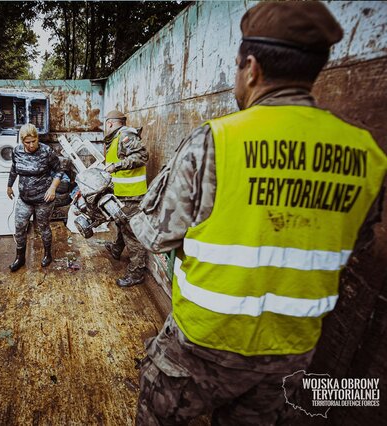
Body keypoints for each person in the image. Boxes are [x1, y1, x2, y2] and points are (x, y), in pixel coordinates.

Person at [129, 2, 387, 425]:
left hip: (204, 345)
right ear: (314, 69)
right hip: (292, 352)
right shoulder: (368, 155)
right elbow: (355, 244)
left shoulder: (215, 141)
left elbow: (156, 234)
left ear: (251, 68)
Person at [102, 110, 149, 287]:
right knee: (120, 223)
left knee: (131, 233)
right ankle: (116, 249)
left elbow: (141, 157)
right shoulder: (116, 138)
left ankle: (137, 273)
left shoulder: (126, 135)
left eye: (106, 123)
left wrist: (116, 166)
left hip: (132, 194)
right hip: (122, 192)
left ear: (111, 123)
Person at [7, 123, 61, 272]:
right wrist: (9, 185)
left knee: (43, 227)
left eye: (34, 141)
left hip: (43, 200)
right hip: (24, 200)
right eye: (27, 142)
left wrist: (53, 188)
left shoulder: (46, 151)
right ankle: (20, 258)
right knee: (19, 227)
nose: (31, 145)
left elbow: (59, 170)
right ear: (22, 141)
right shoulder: (17, 151)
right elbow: (13, 168)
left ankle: (47, 254)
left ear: (37, 138)